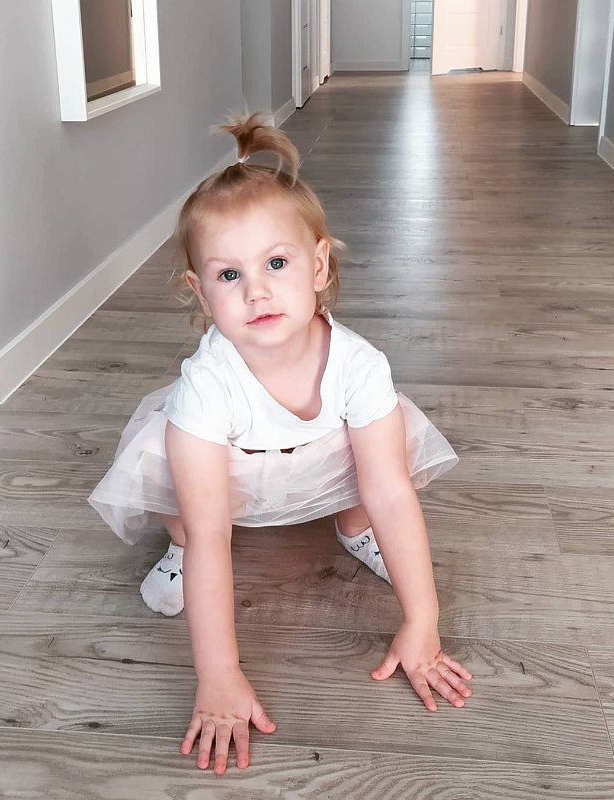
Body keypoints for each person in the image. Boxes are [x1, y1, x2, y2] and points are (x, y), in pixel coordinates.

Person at [89, 112, 472, 775]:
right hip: (229, 466)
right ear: (200, 292)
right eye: (228, 275)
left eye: (275, 262)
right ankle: (174, 551)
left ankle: (354, 531)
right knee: (182, 502)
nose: (257, 290)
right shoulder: (207, 386)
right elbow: (215, 530)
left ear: (317, 265)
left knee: (377, 473)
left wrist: (423, 620)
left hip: (323, 453)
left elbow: (390, 489)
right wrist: (218, 675)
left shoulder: (358, 364)